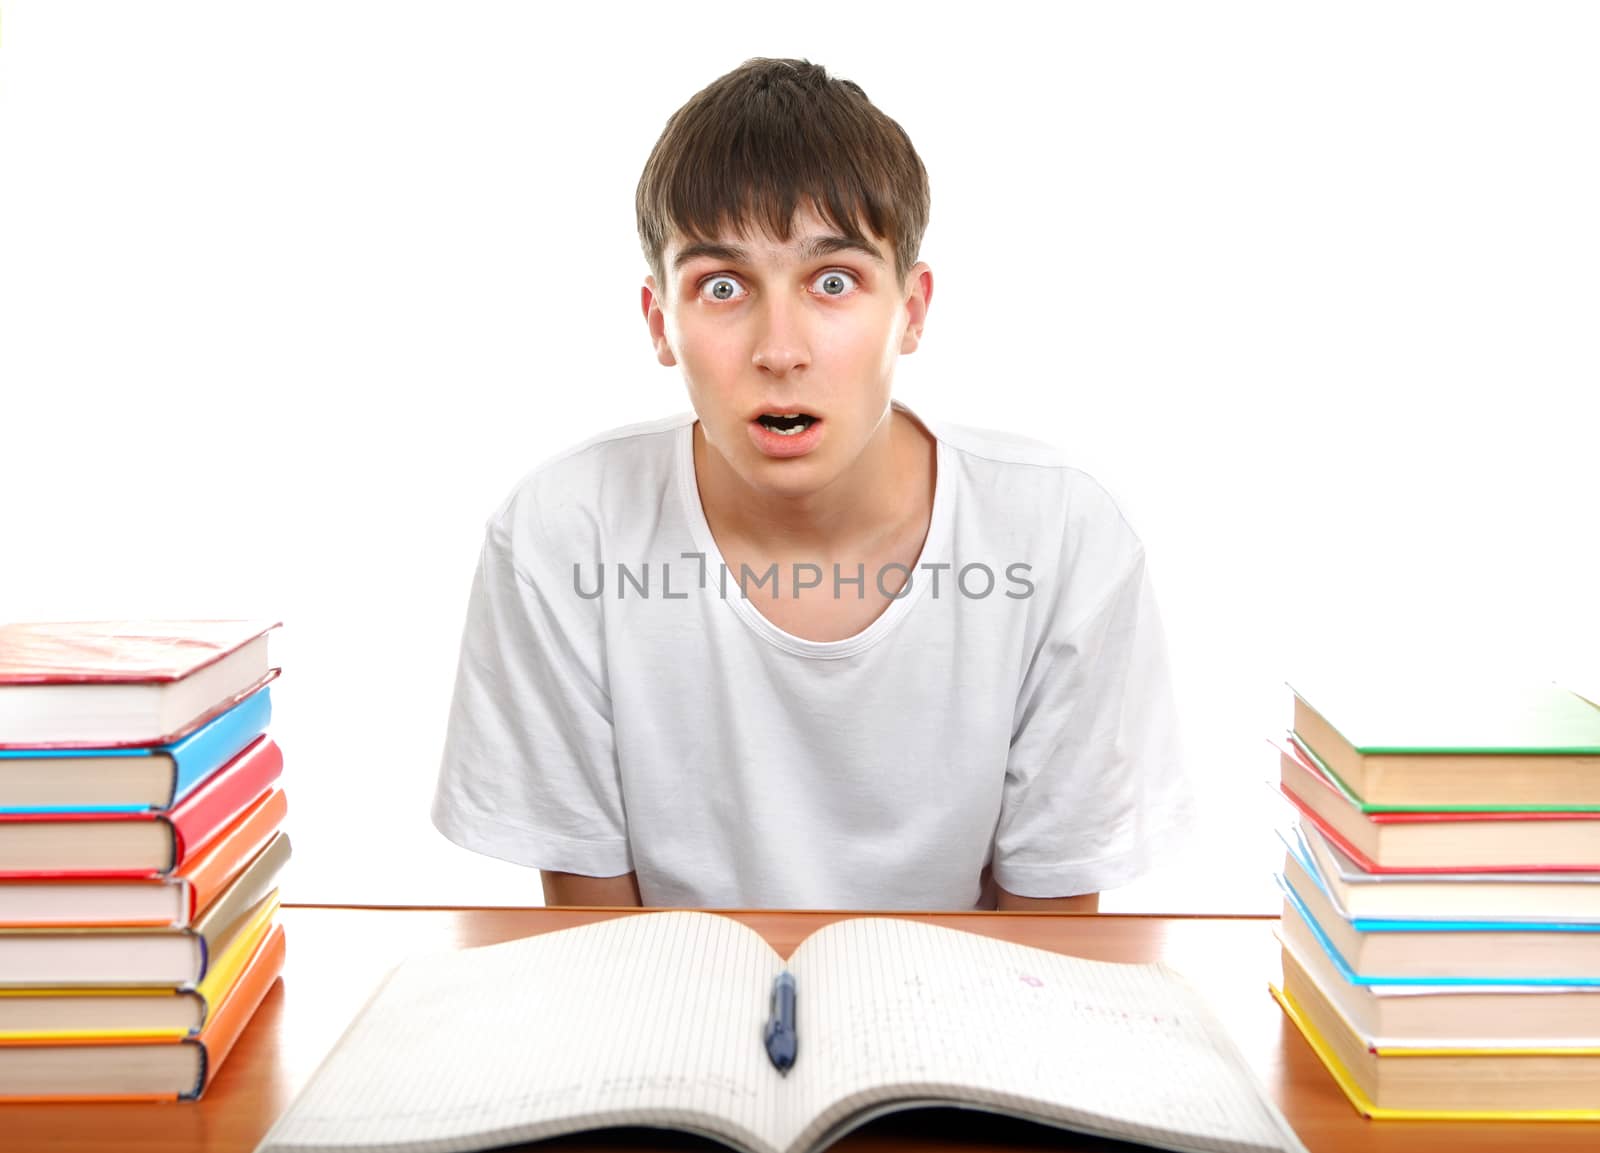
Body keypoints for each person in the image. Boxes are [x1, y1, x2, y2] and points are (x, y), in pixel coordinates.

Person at [431, 57, 1190, 911]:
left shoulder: (1061, 532)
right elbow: (603, 956)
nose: (779, 349)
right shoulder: (560, 533)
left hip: (966, 1028)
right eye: (722, 287)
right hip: (671, 1029)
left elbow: (1051, 954)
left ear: (911, 309)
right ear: (660, 324)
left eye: (834, 282)